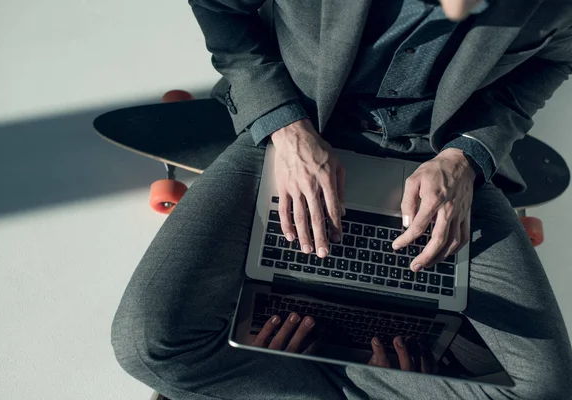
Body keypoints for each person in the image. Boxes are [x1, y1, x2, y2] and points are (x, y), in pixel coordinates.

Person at [111, 0, 572, 398]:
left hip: (442, 156)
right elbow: (221, 11)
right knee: (148, 345)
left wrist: (467, 155)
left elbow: (552, 59)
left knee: (545, 390)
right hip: (303, 126)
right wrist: (285, 128)